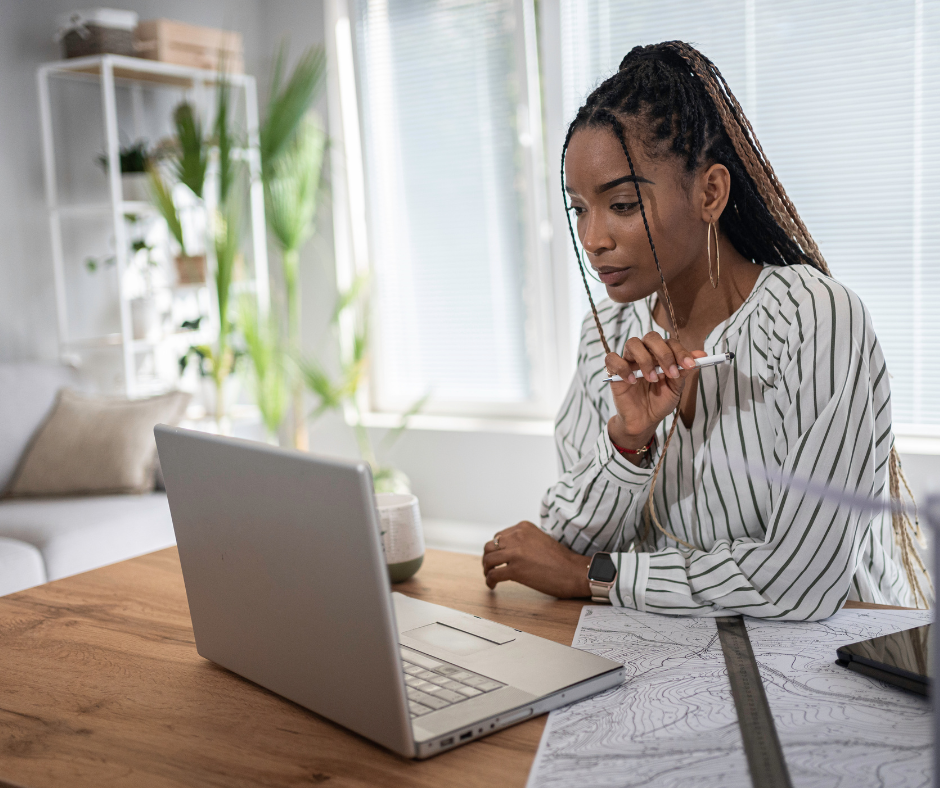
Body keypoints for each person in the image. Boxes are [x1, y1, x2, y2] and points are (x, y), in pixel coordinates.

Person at [481, 41, 929, 620]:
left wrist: (593, 577)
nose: (593, 238)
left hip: (836, 666)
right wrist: (627, 443)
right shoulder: (606, 334)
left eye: (619, 204)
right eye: (578, 210)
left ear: (710, 193)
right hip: (673, 667)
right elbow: (561, 544)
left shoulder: (815, 318)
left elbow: (800, 583)